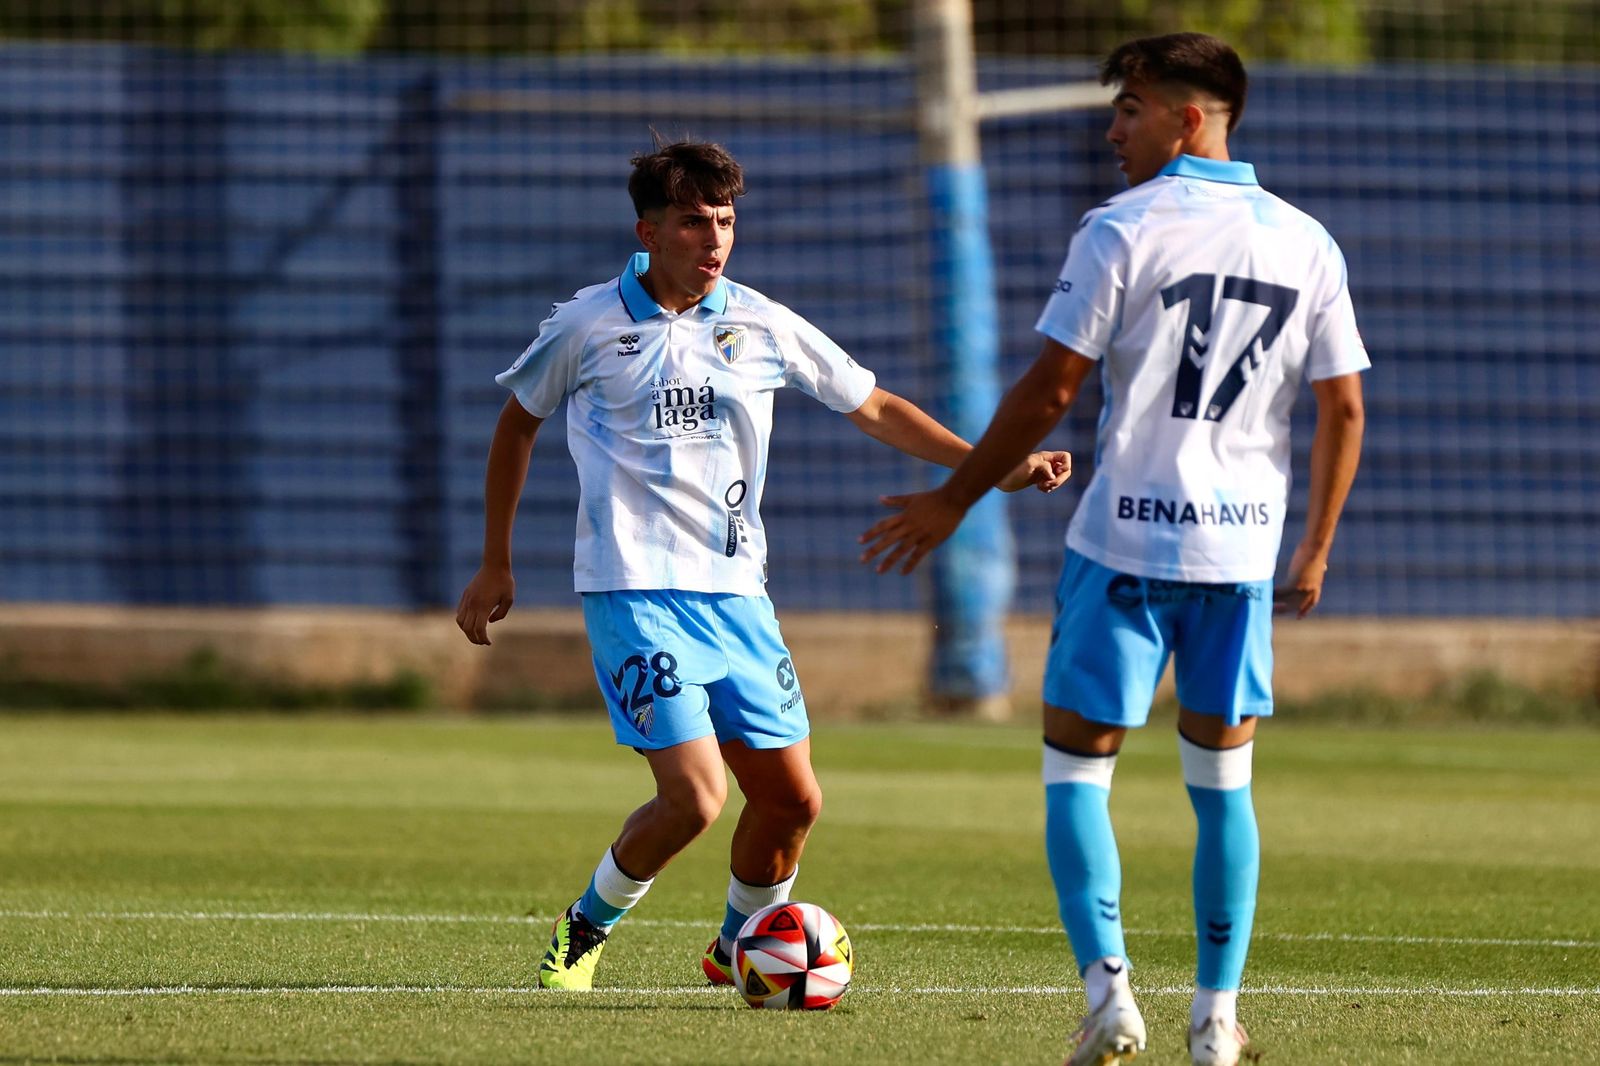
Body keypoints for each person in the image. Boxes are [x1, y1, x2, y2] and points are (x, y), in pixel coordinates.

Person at [455, 138, 1070, 994]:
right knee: (697, 799)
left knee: (793, 802)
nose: (714, 240)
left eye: (726, 221)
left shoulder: (760, 321)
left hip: (740, 598)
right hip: (636, 591)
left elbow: (878, 405)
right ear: (648, 230)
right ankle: (581, 931)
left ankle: (737, 946)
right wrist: (496, 562)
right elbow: (516, 424)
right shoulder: (588, 324)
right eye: (693, 222)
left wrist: (993, 468)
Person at [859, 33, 1367, 1066]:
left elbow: (1051, 389)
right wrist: (1311, 548)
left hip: (1124, 544)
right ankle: (1216, 1020)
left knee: (1074, 771)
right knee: (1223, 787)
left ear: (1189, 117)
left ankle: (1107, 998)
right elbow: (1345, 404)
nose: (1112, 129)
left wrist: (956, 498)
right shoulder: (1306, 241)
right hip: (1236, 561)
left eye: (1129, 108)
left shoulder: (1119, 229)